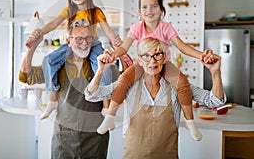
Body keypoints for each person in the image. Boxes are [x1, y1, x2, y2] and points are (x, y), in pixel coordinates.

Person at [97, 0, 217, 140]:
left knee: (183, 83)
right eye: (145, 7)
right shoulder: (136, 28)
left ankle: (190, 122)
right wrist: (114, 54)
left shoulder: (166, 27)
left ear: (161, 10)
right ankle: (110, 117)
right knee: (123, 81)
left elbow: (182, 46)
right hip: (142, 64)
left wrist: (201, 55)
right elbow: (124, 47)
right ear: (139, 12)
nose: (149, 10)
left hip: (164, 64)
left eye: (154, 6)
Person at [85, 38, 226, 158]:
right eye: (146, 56)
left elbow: (215, 101)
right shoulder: (129, 85)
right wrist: (100, 71)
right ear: (139, 60)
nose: (152, 61)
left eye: (157, 55)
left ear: (164, 58)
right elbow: (91, 95)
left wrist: (215, 73)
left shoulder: (176, 85)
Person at [25, 0, 122, 119]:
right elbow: (53, 24)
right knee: (48, 60)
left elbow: (107, 30)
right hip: (72, 43)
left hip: (92, 43)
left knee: (104, 68)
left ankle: (106, 107)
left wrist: (115, 40)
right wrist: (39, 33)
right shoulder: (69, 10)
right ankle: (52, 100)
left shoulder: (95, 11)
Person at [19, 19, 116, 158]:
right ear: (68, 41)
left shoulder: (101, 64)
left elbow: (122, 83)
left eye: (88, 38)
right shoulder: (57, 65)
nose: (84, 43)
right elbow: (27, 77)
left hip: (95, 137)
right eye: (79, 39)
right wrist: (31, 49)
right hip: (64, 137)